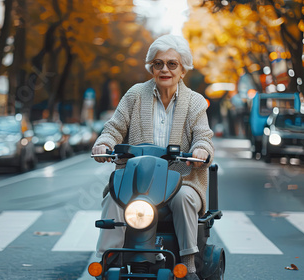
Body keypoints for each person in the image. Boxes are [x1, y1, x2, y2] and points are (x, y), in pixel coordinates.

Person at [91, 34, 214, 280]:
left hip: (182, 179)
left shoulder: (195, 102)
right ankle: (104, 261)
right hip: (138, 180)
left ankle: (188, 265)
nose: (164, 69)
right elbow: (114, 128)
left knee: (183, 198)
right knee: (114, 198)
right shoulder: (135, 94)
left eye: (172, 64)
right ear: (151, 68)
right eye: (158, 63)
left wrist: (201, 150)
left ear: (183, 69)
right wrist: (103, 144)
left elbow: (203, 136)